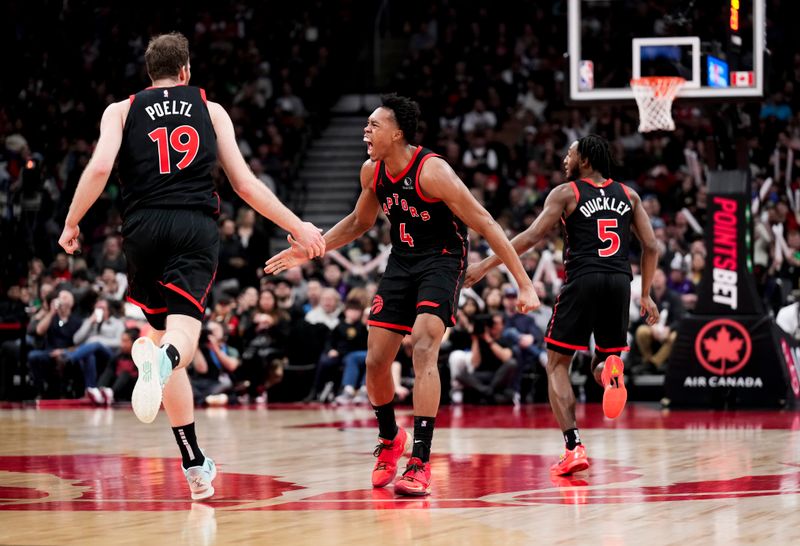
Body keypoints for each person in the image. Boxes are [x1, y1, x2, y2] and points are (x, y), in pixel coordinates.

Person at [57, 32, 325, 500]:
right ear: (185, 71)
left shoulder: (120, 110)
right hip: (193, 225)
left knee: (162, 339)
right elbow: (243, 184)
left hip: (141, 229)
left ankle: (195, 464)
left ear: (148, 73)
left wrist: (72, 221)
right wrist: (296, 224)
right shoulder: (211, 109)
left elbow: (99, 169)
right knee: (183, 337)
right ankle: (164, 362)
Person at [266, 93, 538, 496]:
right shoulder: (371, 172)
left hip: (443, 260)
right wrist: (312, 247)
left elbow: (485, 222)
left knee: (424, 348)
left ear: (397, 133)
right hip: (403, 260)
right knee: (376, 361)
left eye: (374, 125)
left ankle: (421, 460)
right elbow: (359, 222)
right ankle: (391, 437)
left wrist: (524, 282)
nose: (366, 130)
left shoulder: (433, 172)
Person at [465, 134, 660, 476]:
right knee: (605, 358)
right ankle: (609, 373)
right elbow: (653, 246)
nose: (564, 160)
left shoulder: (566, 193)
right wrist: (645, 295)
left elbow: (529, 237)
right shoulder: (629, 195)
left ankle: (573, 446)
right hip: (619, 282)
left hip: (583, 280)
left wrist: (485, 265)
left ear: (585, 159)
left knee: (557, 364)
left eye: (569, 153)